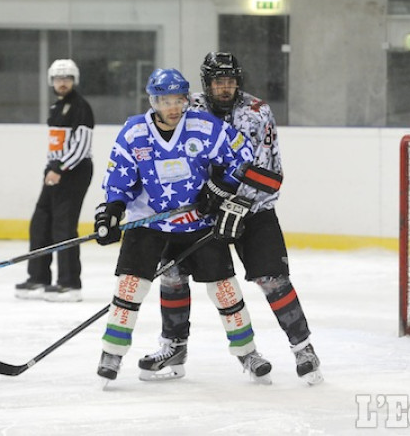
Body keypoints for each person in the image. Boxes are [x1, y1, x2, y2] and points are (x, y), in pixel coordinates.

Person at [142, 52, 322, 385]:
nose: (225, 87)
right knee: (173, 274)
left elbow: (269, 173)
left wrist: (232, 199)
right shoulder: (189, 107)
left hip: (254, 211)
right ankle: (174, 347)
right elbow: (164, 143)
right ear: (206, 82)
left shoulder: (257, 112)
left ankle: (304, 349)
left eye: (230, 81)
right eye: (218, 81)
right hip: (203, 214)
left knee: (273, 279)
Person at [93, 67, 272, 383]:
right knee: (129, 288)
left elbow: (243, 153)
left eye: (178, 100)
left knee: (225, 289)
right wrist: (112, 210)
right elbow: (119, 175)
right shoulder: (134, 133)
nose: (173, 108)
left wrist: (220, 186)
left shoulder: (204, 127)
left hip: (198, 222)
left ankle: (248, 353)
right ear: (153, 101)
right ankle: (112, 354)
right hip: (149, 223)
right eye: (165, 101)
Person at [15, 59, 94, 303]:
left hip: (73, 172)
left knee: (64, 226)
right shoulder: (56, 108)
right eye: (58, 79)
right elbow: (57, 144)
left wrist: (60, 167)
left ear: (74, 80)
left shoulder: (80, 107)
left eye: (67, 78)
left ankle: (69, 284)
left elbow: (81, 147)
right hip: (55, 172)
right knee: (40, 222)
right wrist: (52, 167)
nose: (62, 83)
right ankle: (38, 277)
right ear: (52, 81)